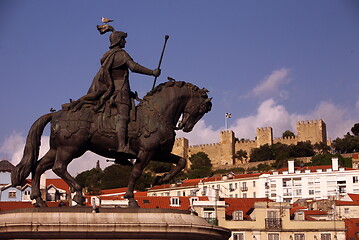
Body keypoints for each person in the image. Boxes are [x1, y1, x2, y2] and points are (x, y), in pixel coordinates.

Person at [70, 30, 160, 154]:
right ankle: (122, 146)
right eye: (123, 39)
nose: (125, 41)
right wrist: (152, 72)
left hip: (115, 91)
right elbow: (133, 67)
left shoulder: (108, 55)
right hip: (120, 92)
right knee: (123, 116)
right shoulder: (120, 54)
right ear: (118, 40)